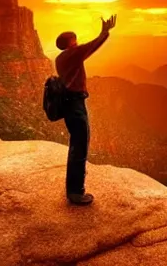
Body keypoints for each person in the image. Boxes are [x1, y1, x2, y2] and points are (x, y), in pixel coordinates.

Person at [55, 14, 117, 205]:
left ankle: (73, 189)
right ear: (70, 43)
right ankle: (75, 192)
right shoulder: (71, 55)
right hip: (75, 106)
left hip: (72, 105)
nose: (77, 42)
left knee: (77, 145)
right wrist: (104, 33)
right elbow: (91, 47)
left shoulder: (61, 58)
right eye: (75, 39)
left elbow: (85, 49)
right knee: (80, 146)